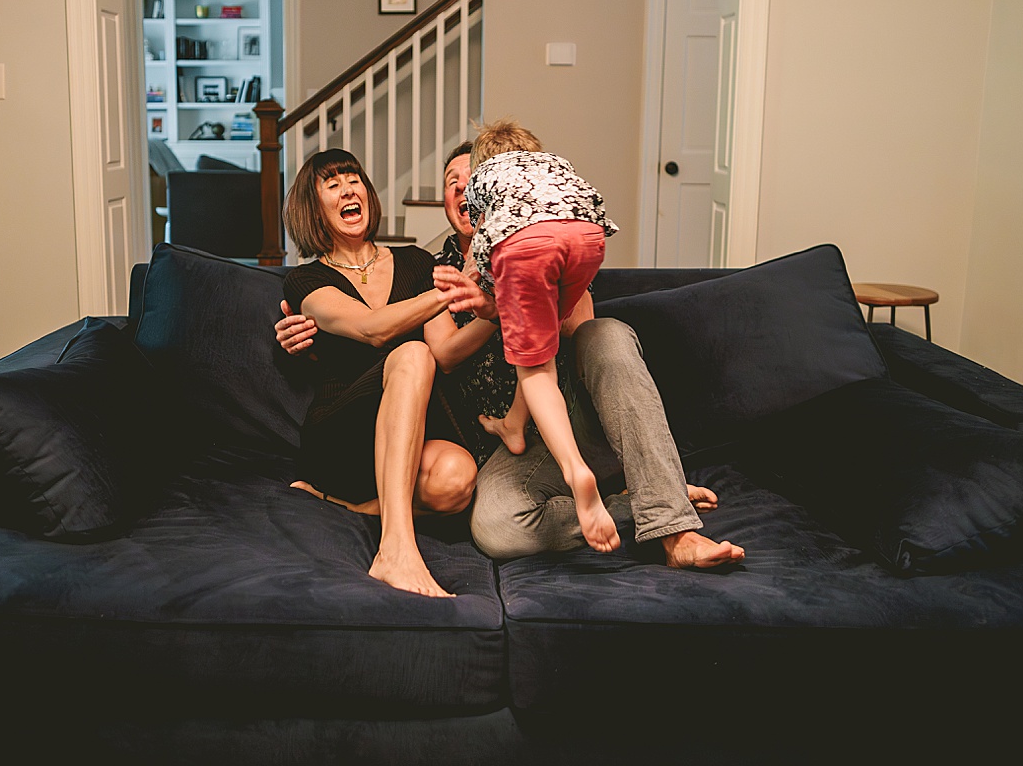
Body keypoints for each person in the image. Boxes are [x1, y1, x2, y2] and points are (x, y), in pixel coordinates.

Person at [280, 141, 745, 570]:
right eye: (450, 182)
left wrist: (514, 291)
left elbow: (576, 338)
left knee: (605, 336)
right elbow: (436, 352)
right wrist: (484, 298)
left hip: (566, 417)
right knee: (496, 527)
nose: (462, 187)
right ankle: (648, 496)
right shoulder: (437, 266)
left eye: (472, 176)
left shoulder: (531, 244)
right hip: (498, 447)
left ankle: (673, 527)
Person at [281, 148, 484, 599]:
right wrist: (455, 289)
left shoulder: (415, 262)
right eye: (332, 184)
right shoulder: (306, 281)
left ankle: (349, 506)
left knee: (457, 477)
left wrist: (495, 312)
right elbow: (372, 330)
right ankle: (396, 549)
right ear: (312, 208)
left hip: (404, 438)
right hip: (342, 433)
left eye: (353, 179)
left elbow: (447, 352)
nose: (348, 189)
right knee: (411, 354)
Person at [446, 120, 619, 552]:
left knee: (534, 367)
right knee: (542, 337)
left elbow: (494, 240)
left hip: (525, 246)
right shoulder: (553, 167)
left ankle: (575, 470)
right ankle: (514, 424)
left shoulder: (488, 190)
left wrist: (487, 296)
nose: (464, 188)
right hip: (587, 237)